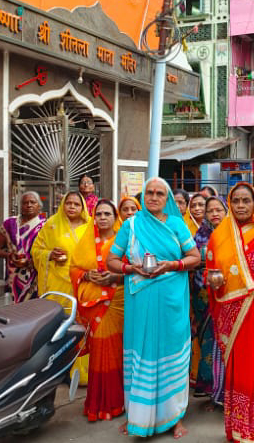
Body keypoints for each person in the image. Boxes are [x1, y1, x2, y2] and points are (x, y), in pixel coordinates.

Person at [106, 177, 201, 439]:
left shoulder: (176, 224)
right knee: (142, 353)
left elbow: (195, 257)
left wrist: (171, 265)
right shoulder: (132, 225)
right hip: (141, 301)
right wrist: (130, 268)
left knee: (171, 355)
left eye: (160, 193)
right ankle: (137, 415)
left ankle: (174, 417)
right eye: (149, 193)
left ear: (167, 198)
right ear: (143, 195)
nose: (154, 197)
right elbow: (111, 260)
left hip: (172, 301)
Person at [206, 183, 254, 443]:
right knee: (237, 372)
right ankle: (237, 429)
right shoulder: (220, 235)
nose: (241, 206)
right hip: (230, 315)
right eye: (236, 201)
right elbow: (212, 272)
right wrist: (214, 281)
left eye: (246, 201)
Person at [70, 200, 125, 422]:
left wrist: (114, 277)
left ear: (115, 217)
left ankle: (117, 401)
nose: (102, 218)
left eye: (107, 214)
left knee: (117, 352)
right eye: (99, 214)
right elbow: (73, 268)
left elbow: (134, 270)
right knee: (99, 352)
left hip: (118, 302)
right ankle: (99, 403)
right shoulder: (86, 242)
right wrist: (86, 276)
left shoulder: (123, 241)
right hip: (94, 305)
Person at [32, 191, 91, 383]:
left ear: (83, 207)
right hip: (58, 284)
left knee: (81, 326)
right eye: (69, 203)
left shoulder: (90, 226)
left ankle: (80, 371)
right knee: (59, 326)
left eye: (76, 204)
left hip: (83, 283)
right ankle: (56, 369)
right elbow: (36, 249)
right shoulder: (52, 225)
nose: (72, 207)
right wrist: (49, 254)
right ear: (63, 205)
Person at [189, 196, 226, 401]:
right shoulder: (200, 235)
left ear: (225, 211)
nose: (214, 214)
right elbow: (191, 258)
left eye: (218, 209)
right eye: (210, 210)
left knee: (223, 338)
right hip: (202, 292)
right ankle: (206, 384)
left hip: (227, 292)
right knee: (206, 338)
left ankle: (224, 386)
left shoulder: (233, 234)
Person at [0, 191, 44, 302]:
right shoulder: (10, 224)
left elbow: (49, 252)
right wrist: (11, 256)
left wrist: (33, 261)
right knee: (15, 309)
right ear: (20, 206)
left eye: (32, 202)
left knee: (34, 309)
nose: (29, 205)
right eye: (25, 203)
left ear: (39, 206)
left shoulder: (45, 226)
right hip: (14, 276)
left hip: (36, 276)